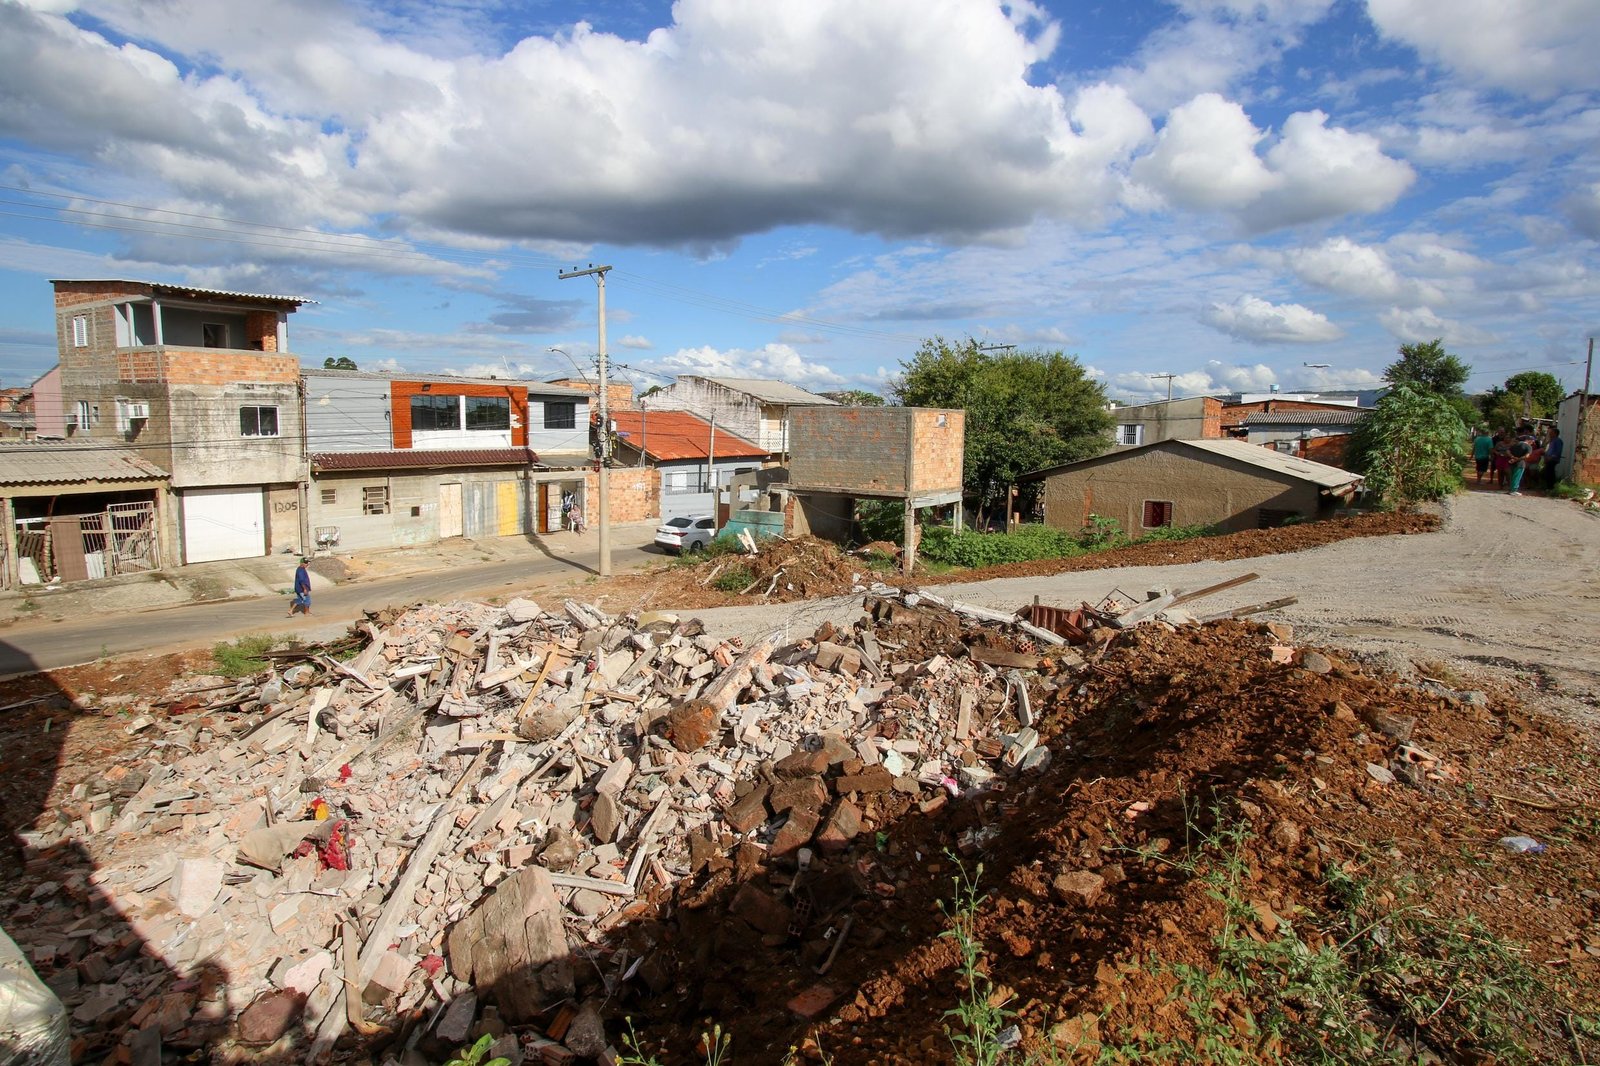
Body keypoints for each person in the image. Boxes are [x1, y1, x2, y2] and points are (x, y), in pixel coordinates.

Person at [1507, 431, 1532, 496]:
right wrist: (1518, 459)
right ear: (1528, 440)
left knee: (1512, 476)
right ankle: (1514, 490)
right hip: (1520, 463)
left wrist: (1512, 456)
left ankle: (1510, 489)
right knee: (1517, 477)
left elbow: (1508, 451)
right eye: (1531, 440)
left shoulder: (1515, 445)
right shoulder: (1528, 446)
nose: (1532, 442)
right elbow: (1527, 456)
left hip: (1512, 462)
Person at [1542, 426, 1564, 490]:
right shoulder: (1551, 441)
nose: (1550, 434)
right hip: (1548, 459)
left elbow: (1558, 451)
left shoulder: (1558, 441)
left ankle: (1551, 487)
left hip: (1552, 459)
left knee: (1550, 472)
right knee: (1547, 472)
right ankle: (1548, 486)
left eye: (1551, 433)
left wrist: (1551, 457)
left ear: (1555, 433)